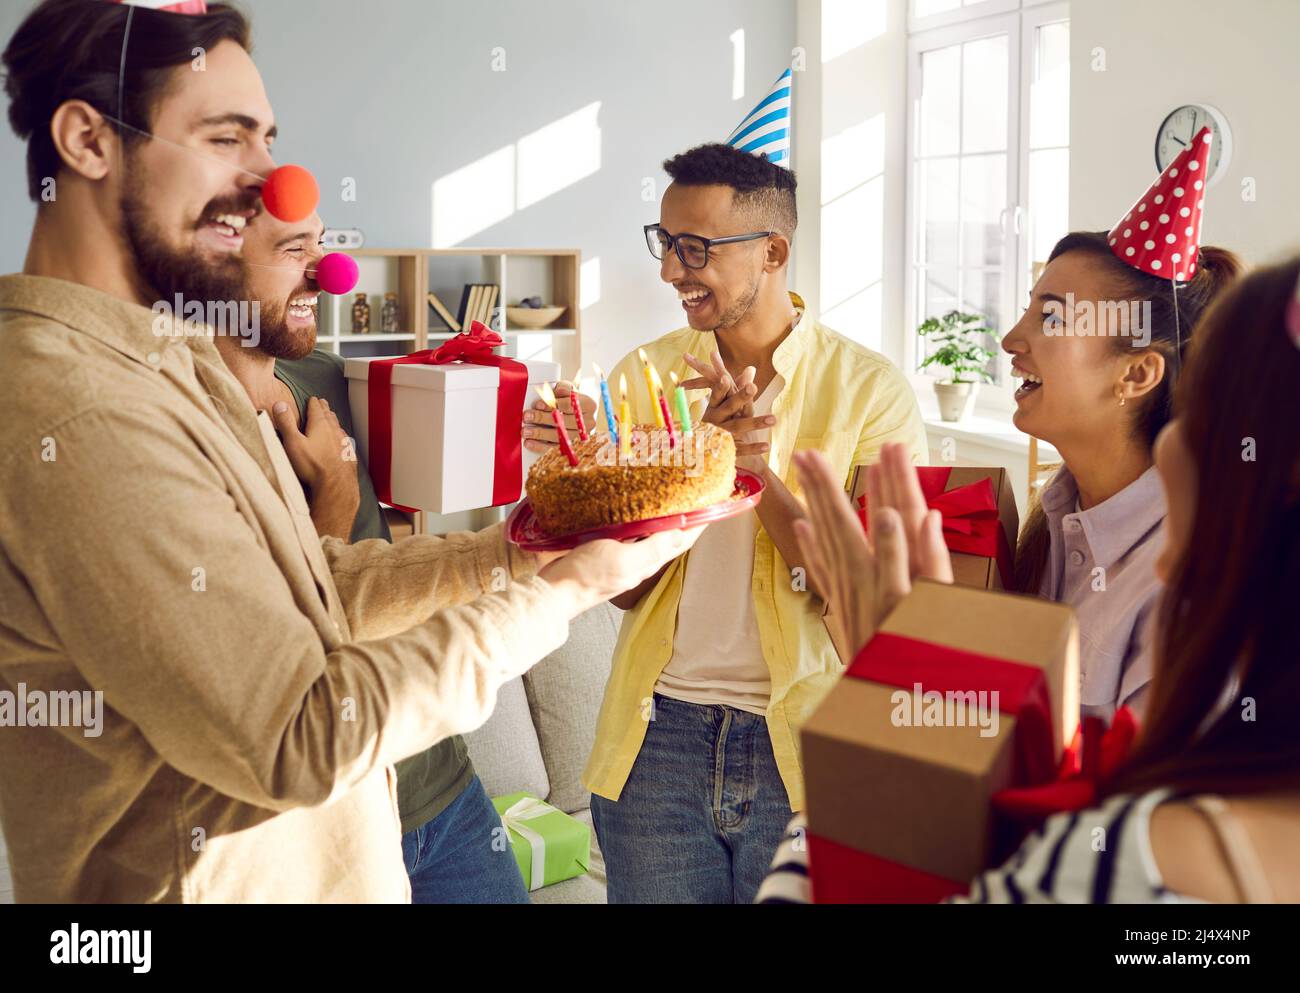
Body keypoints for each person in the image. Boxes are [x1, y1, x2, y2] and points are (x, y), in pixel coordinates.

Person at [0, 0, 697, 902]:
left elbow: (316, 595)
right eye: (227, 138)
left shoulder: (175, 365)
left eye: (269, 139)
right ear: (88, 142)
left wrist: (522, 551)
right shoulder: (79, 404)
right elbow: (298, 733)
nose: (273, 181)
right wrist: (572, 590)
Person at [762, 256, 1300, 903]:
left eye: (1202, 407)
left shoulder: (1138, 863)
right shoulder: (1047, 530)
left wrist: (891, 709)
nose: (1012, 339)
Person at [531, 142, 928, 903]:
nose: (670, 271)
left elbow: (866, 604)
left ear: (774, 251)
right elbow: (620, 593)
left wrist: (747, 471)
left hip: (806, 751)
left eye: (695, 248)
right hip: (655, 745)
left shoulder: (871, 392)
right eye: (665, 242)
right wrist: (574, 481)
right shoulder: (644, 378)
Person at [222, 210, 528, 902]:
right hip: (325, 823)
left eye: (322, 244)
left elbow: (395, 532)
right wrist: (328, 494)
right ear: (215, 258)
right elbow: (275, 647)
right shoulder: (186, 427)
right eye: (293, 247)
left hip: (440, 785)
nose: (329, 270)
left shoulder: (331, 376)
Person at [1004, 230, 1240, 720]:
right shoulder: (1055, 519)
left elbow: (1149, 793)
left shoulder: (1188, 587)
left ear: (1136, 375)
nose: (1010, 339)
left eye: (1051, 317)